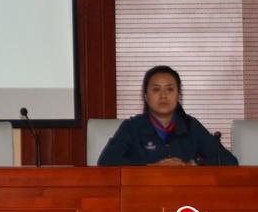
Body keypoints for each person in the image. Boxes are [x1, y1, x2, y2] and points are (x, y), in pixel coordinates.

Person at [97, 65, 237, 166]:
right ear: (146, 96)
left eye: (170, 89)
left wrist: (192, 165)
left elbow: (229, 162)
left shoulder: (190, 126)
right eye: (156, 89)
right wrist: (151, 167)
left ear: (178, 96)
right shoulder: (132, 127)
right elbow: (106, 163)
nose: (163, 95)